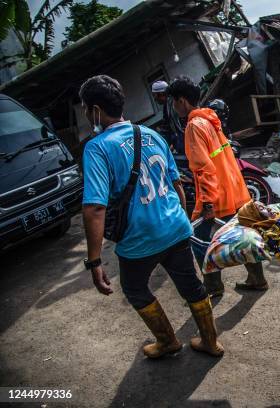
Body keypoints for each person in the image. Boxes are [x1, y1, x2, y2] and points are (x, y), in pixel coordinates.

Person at [80, 75, 223, 359]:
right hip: (175, 227)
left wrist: (94, 260)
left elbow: (95, 208)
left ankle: (168, 341)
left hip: (139, 239)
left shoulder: (96, 148)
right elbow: (177, 184)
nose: (86, 114)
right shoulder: (151, 134)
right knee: (191, 286)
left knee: (134, 288)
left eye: (85, 108)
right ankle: (210, 342)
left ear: (95, 110)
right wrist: (179, 220)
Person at [166, 75, 266, 296]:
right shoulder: (211, 119)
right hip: (234, 189)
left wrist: (208, 203)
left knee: (199, 239)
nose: (174, 107)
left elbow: (203, 168)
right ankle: (257, 278)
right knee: (241, 234)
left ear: (182, 101)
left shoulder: (193, 126)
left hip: (216, 196)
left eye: (174, 101)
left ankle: (212, 286)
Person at [152, 80, 185, 153]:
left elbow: (182, 126)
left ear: (160, 93)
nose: (154, 99)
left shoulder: (175, 103)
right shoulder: (166, 106)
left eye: (154, 95)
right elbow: (166, 126)